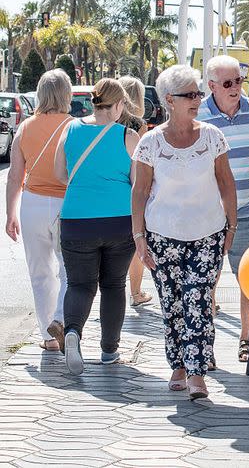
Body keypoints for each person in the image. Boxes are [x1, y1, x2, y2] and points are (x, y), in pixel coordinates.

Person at [132, 65, 237, 399]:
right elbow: (140, 191)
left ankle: (197, 372)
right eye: (189, 95)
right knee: (172, 304)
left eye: (198, 93)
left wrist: (231, 225)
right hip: (163, 236)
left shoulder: (211, 136)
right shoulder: (150, 142)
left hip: (207, 233)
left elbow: (226, 181)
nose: (197, 100)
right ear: (169, 100)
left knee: (198, 300)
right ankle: (177, 363)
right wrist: (139, 236)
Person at [54, 78, 140, 375]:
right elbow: (138, 183)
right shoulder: (127, 136)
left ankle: (73, 332)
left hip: (76, 221)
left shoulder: (71, 129)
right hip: (119, 222)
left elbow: (60, 173)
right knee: (114, 285)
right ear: (116, 106)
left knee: (79, 284)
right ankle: (108, 351)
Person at [197, 55, 249, 363]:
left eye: (239, 82)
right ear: (212, 86)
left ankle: (247, 339)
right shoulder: (199, 115)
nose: (235, 89)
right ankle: (206, 345)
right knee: (206, 281)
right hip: (209, 215)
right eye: (228, 83)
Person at [4, 70, 73, 352]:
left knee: (39, 271)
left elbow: (14, 176)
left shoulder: (25, 128)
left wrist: (10, 213)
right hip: (65, 205)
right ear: (66, 94)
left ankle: (47, 335)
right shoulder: (74, 126)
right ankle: (62, 320)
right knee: (68, 269)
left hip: (32, 203)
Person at [119, 76, 152, 307]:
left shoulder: (105, 119)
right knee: (137, 240)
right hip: (132, 187)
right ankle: (136, 292)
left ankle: (117, 289)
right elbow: (143, 160)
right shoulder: (137, 123)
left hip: (111, 186)